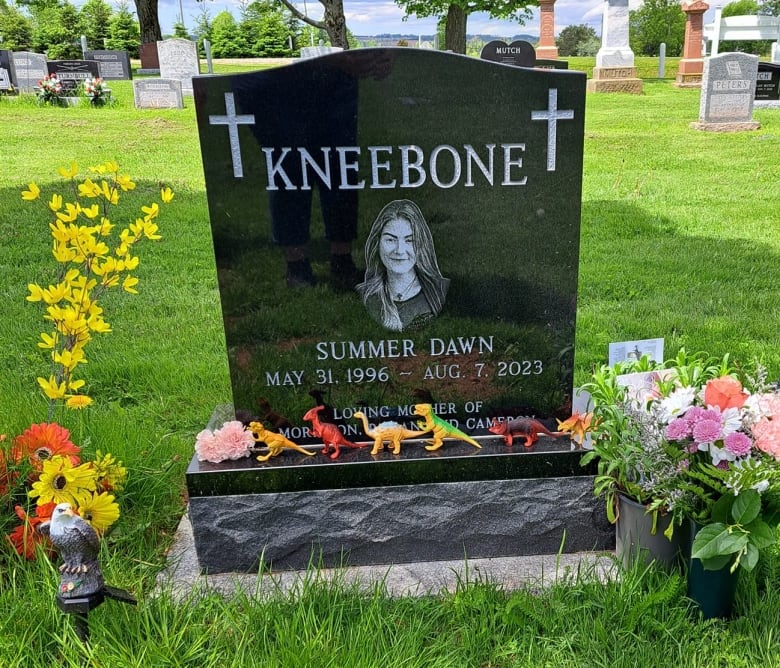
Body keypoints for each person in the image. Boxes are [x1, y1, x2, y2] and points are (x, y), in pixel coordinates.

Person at [357, 200, 449, 331]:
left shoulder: (443, 291)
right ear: (377, 244)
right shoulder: (362, 296)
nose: (399, 250)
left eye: (409, 240)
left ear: (421, 244)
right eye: (390, 240)